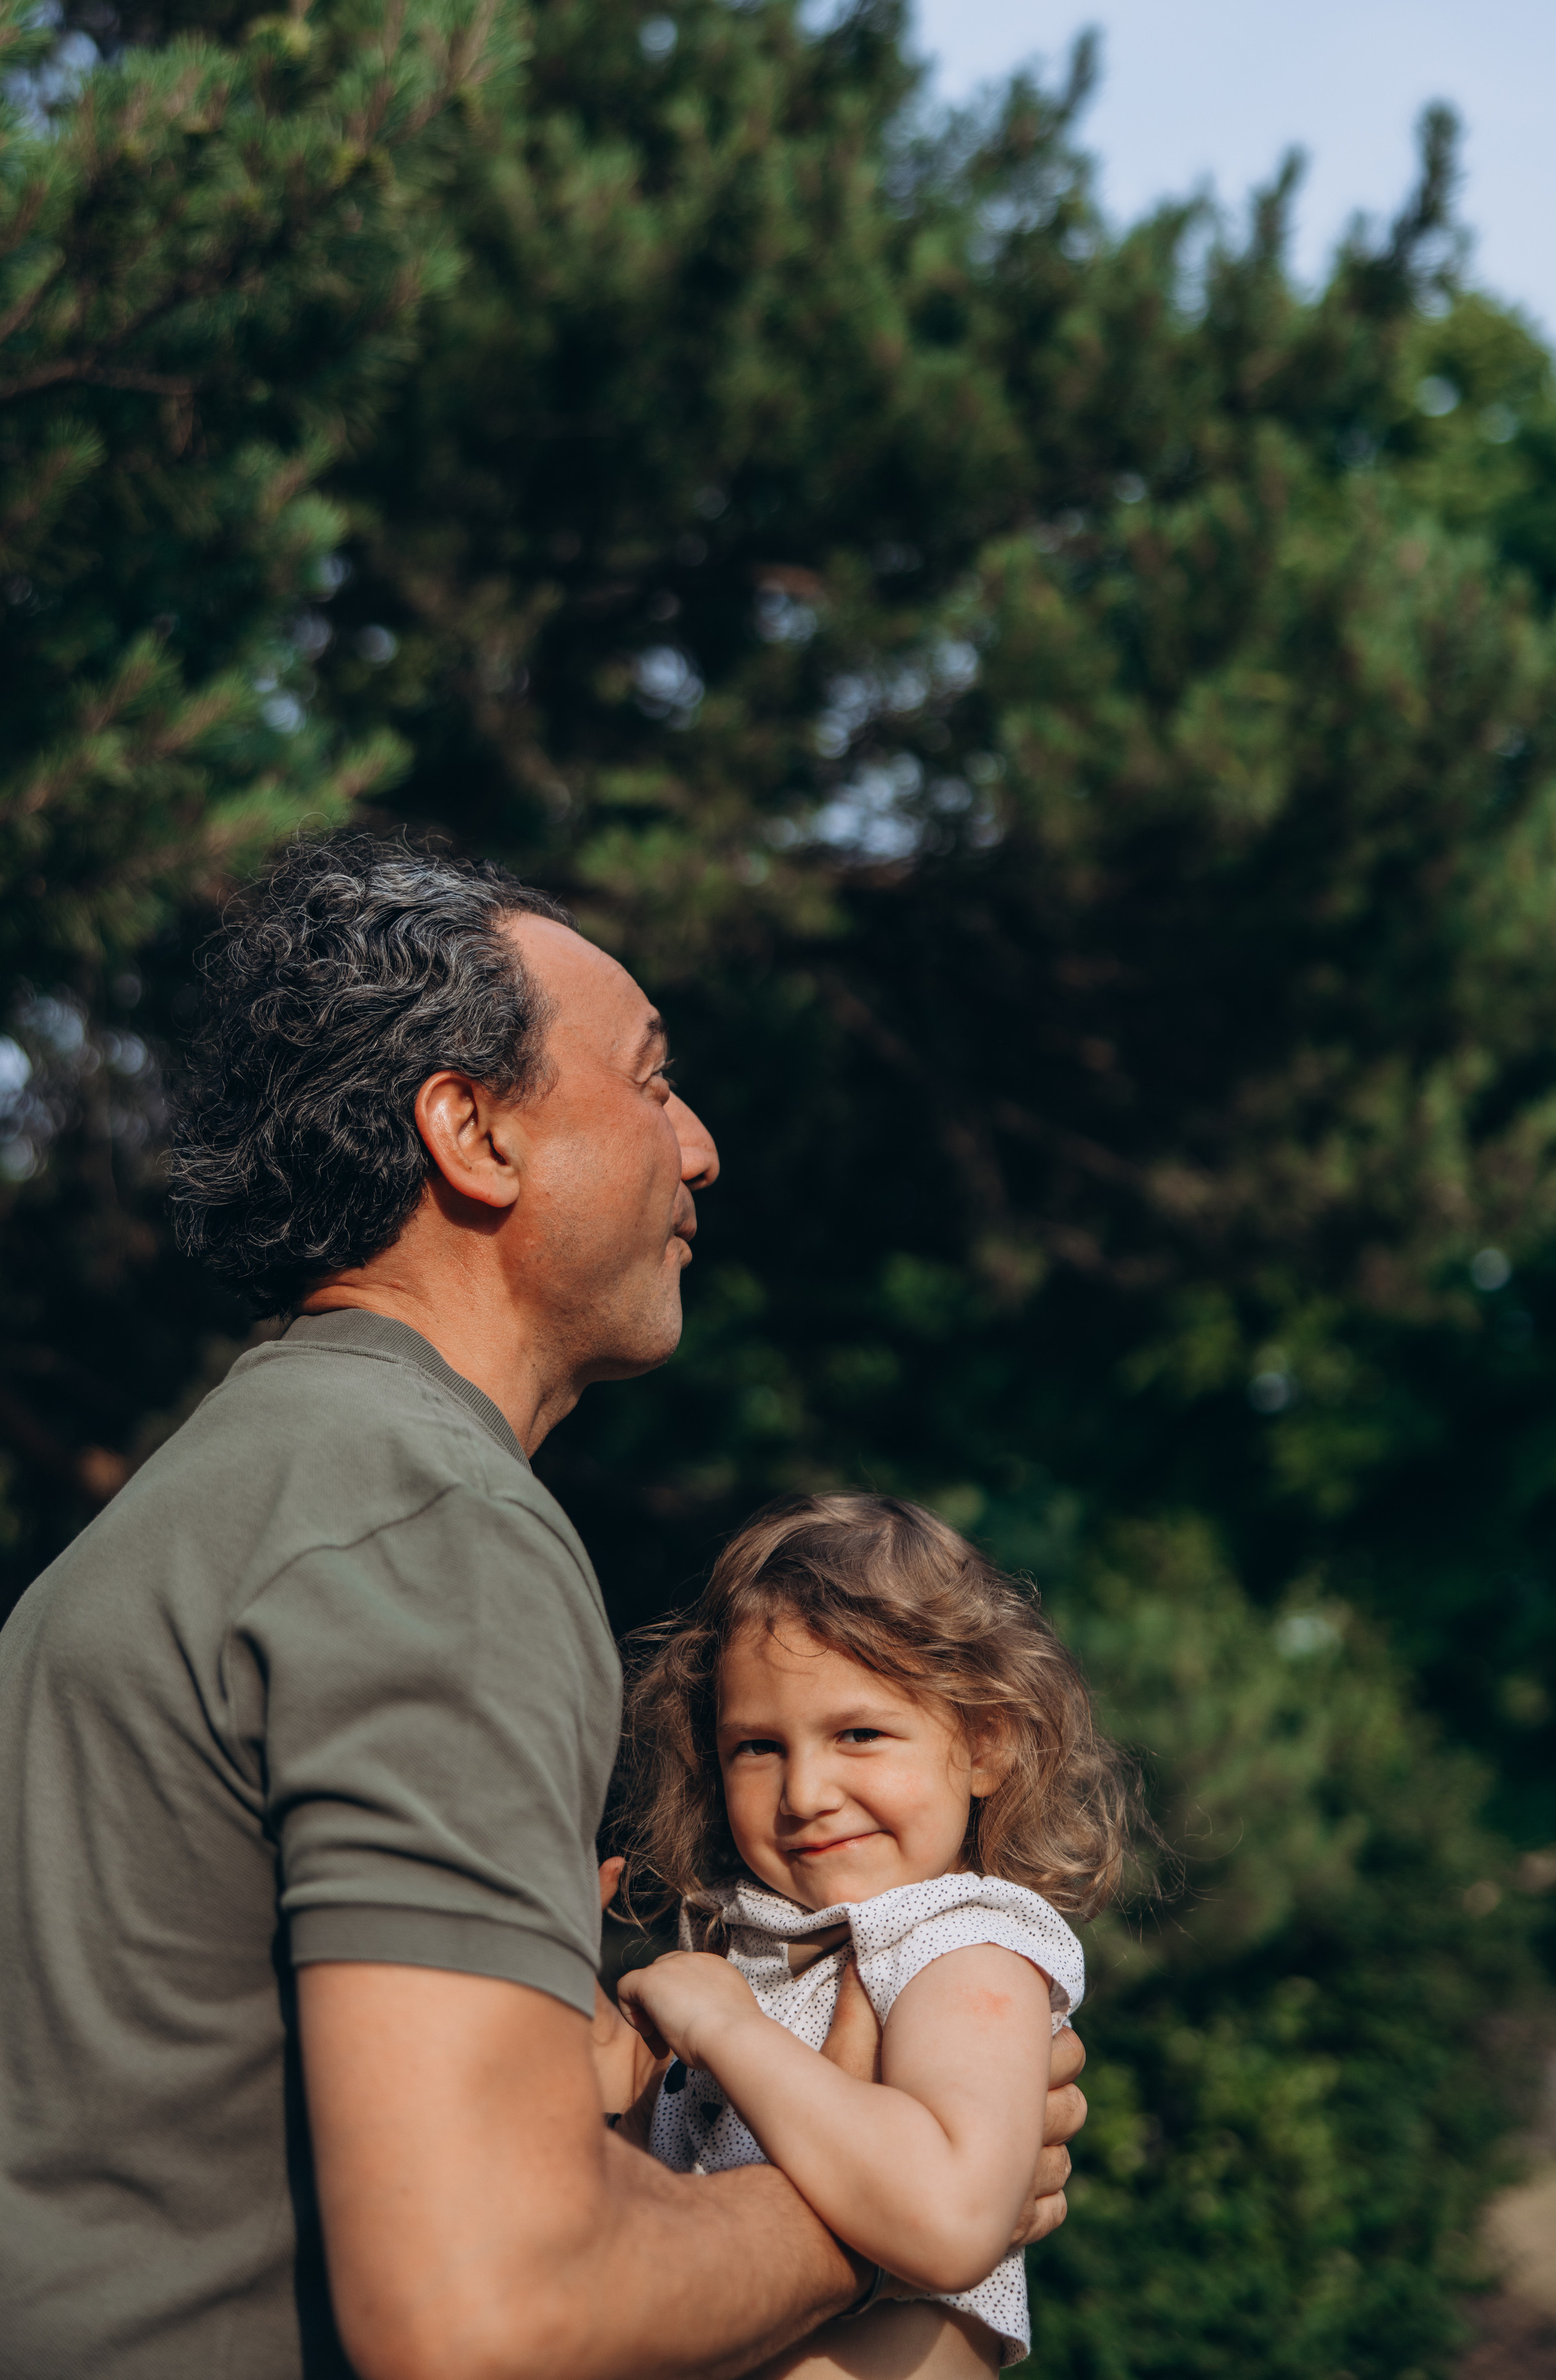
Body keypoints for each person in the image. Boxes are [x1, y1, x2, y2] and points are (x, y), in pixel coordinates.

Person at [0, 834, 1085, 2380]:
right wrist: (898, 2210)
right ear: (474, 1132)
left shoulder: (205, 1505)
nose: (701, 1146)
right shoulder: (429, 1525)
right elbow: (480, 2307)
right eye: (650, 1081)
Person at [601, 1495, 1131, 2379]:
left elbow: (951, 2215)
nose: (805, 1790)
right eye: (757, 1746)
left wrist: (730, 2033)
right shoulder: (753, 1942)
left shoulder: (963, 1945)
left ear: (986, 1742)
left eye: (859, 1733)